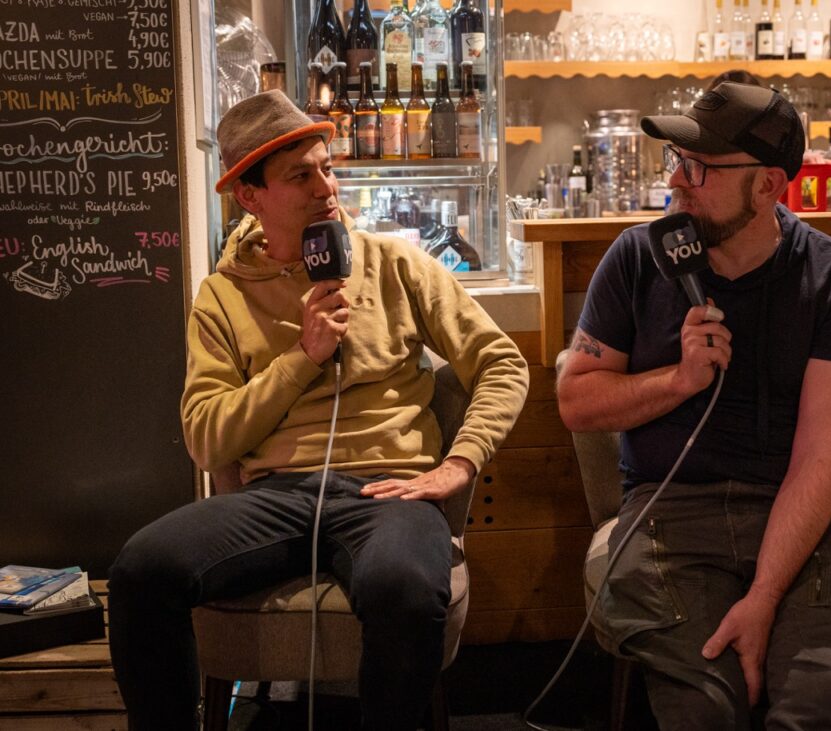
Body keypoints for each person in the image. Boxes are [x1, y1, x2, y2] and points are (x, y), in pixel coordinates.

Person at [107, 89, 529, 730]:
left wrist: (460, 463)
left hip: (388, 490)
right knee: (140, 571)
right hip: (276, 495)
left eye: (327, 168)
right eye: (300, 176)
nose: (326, 189)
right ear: (249, 196)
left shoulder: (394, 264)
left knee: (404, 589)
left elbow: (501, 362)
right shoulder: (222, 296)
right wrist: (302, 358)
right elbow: (207, 439)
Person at [557, 81, 831, 730]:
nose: (676, 180)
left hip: (794, 513)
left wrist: (763, 597)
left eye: (700, 167)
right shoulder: (637, 257)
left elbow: (820, 457)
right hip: (669, 512)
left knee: (820, 705)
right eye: (677, 160)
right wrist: (678, 381)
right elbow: (577, 402)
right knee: (706, 707)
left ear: (768, 185)